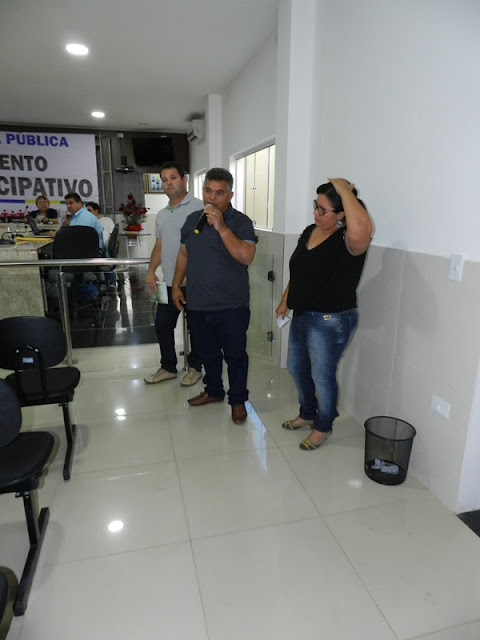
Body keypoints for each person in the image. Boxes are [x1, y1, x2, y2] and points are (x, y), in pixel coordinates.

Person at [276, 178, 372, 450]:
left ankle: (323, 426)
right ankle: (308, 413)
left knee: (322, 376)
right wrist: (285, 300)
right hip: (302, 315)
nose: (315, 214)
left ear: (341, 214)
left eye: (323, 210)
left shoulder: (348, 240)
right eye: (315, 206)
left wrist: (345, 190)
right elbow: (299, 272)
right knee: (296, 368)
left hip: (331, 321)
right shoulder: (310, 231)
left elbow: (363, 229)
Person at [172, 167, 258, 425]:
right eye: (208, 191)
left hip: (232, 305)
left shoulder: (241, 222)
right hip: (198, 303)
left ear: (230, 195)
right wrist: (176, 284)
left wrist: (221, 227)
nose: (212, 198)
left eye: (219, 193)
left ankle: (238, 400)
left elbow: (246, 256)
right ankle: (213, 390)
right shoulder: (192, 220)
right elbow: (184, 253)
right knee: (207, 353)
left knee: (235, 356)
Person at [144, 161, 204, 387]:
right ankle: (168, 367)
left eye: (173, 178)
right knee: (162, 325)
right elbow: (159, 246)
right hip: (168, 282)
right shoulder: (161, 214)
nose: (168, 183)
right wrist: (151, 271)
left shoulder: (200, 208)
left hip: (194, 283)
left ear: (184, 180)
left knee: (196, 328)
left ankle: (195, 368)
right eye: (164, 180)